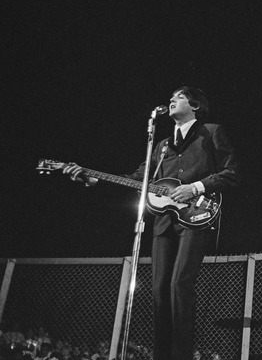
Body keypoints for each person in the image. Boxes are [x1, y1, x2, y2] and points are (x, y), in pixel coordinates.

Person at [63, 86, 240, 360]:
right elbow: (139, 178)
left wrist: (195, 188)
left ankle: (181, 355)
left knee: (180, 284)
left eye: (179, 97)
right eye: (172, 97)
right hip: (163, 223)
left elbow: (231, 173)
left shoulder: (212, 132)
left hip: (196, 215)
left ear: (195, 106)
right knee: (159, 288)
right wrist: (92, 177)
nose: (172, 100)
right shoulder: (162, 145)